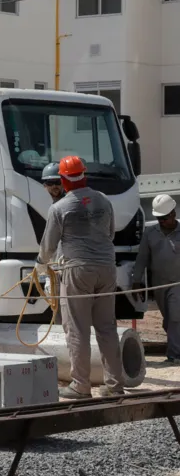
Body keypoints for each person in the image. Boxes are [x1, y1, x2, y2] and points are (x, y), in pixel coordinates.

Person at [37, 155, 125, 399]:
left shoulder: (60, 208)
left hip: (77, 271)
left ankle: (81, 385)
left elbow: (48, 248)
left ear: (64, 180)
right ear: (85, 175)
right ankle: (115, 386)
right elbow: (110, 233)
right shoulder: (104, 201)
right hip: (107, 268)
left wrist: (40, 269)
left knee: (77, 329)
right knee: (107, 328)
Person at [132, 194, 180, 365]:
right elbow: (142, 258)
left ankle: (174, 355)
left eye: (164, 218)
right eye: (159, 218)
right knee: (168, 319)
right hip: (159, 284)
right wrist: (136, 280)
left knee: (175, 316)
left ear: (173, 214)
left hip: (177, 283)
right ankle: (176, 347)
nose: (161, 221)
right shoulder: (150, 233)